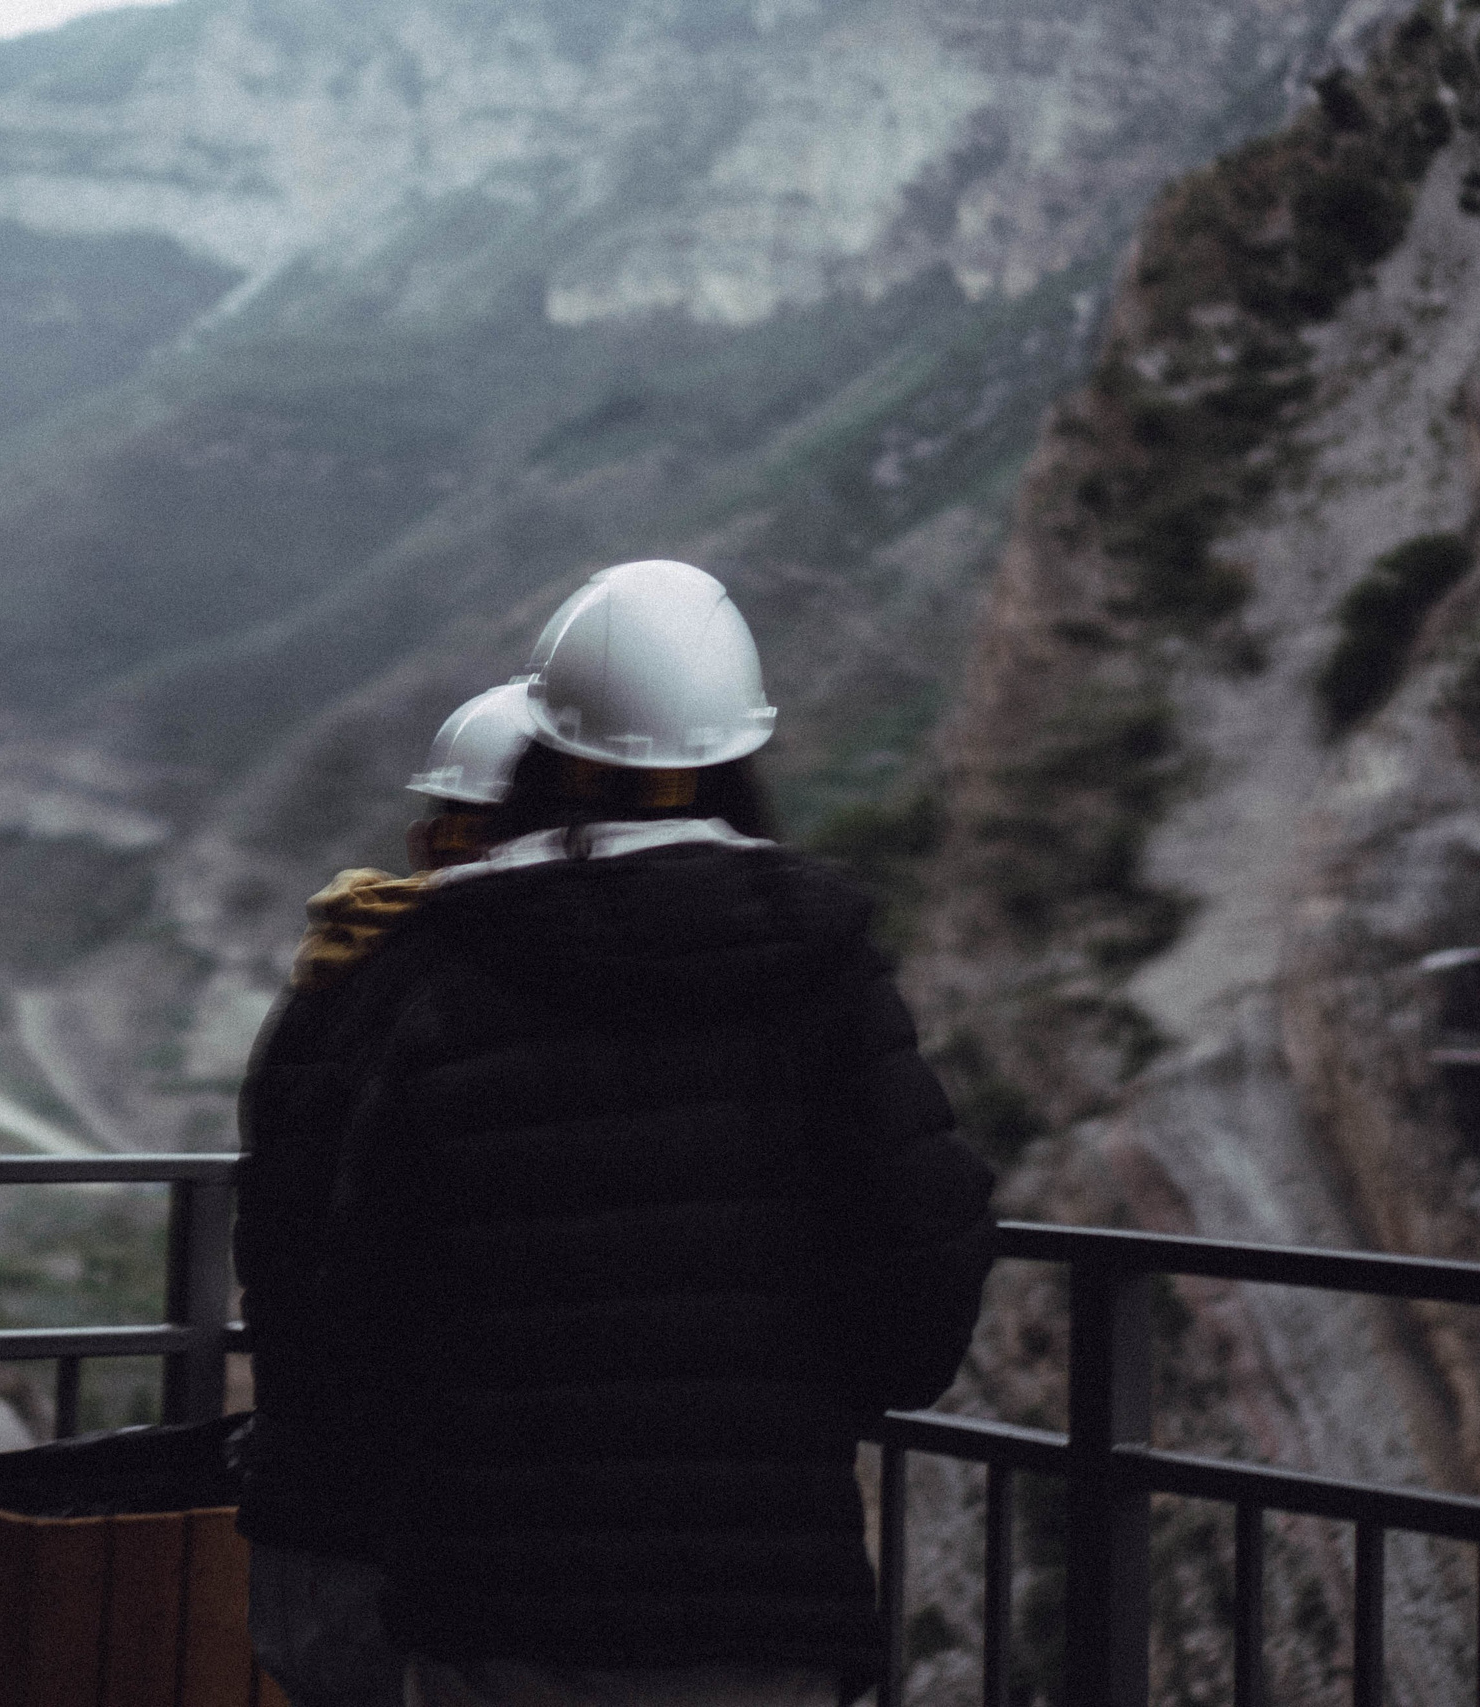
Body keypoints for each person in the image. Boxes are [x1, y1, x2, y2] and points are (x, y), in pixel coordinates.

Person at [304, 561, 997, 1707]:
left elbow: (359, 1283)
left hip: (496, 1586)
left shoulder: (438, 969)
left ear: (549, 748)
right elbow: (922, 1245)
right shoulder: (823, 964)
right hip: (756, 1590)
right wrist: (818, 1393)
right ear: (731, 752)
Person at [240, 679, 539, 1707]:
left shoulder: (333, 979)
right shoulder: (482, 998)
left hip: (311, 1492)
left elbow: (281, 1228)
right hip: (434, 1520)